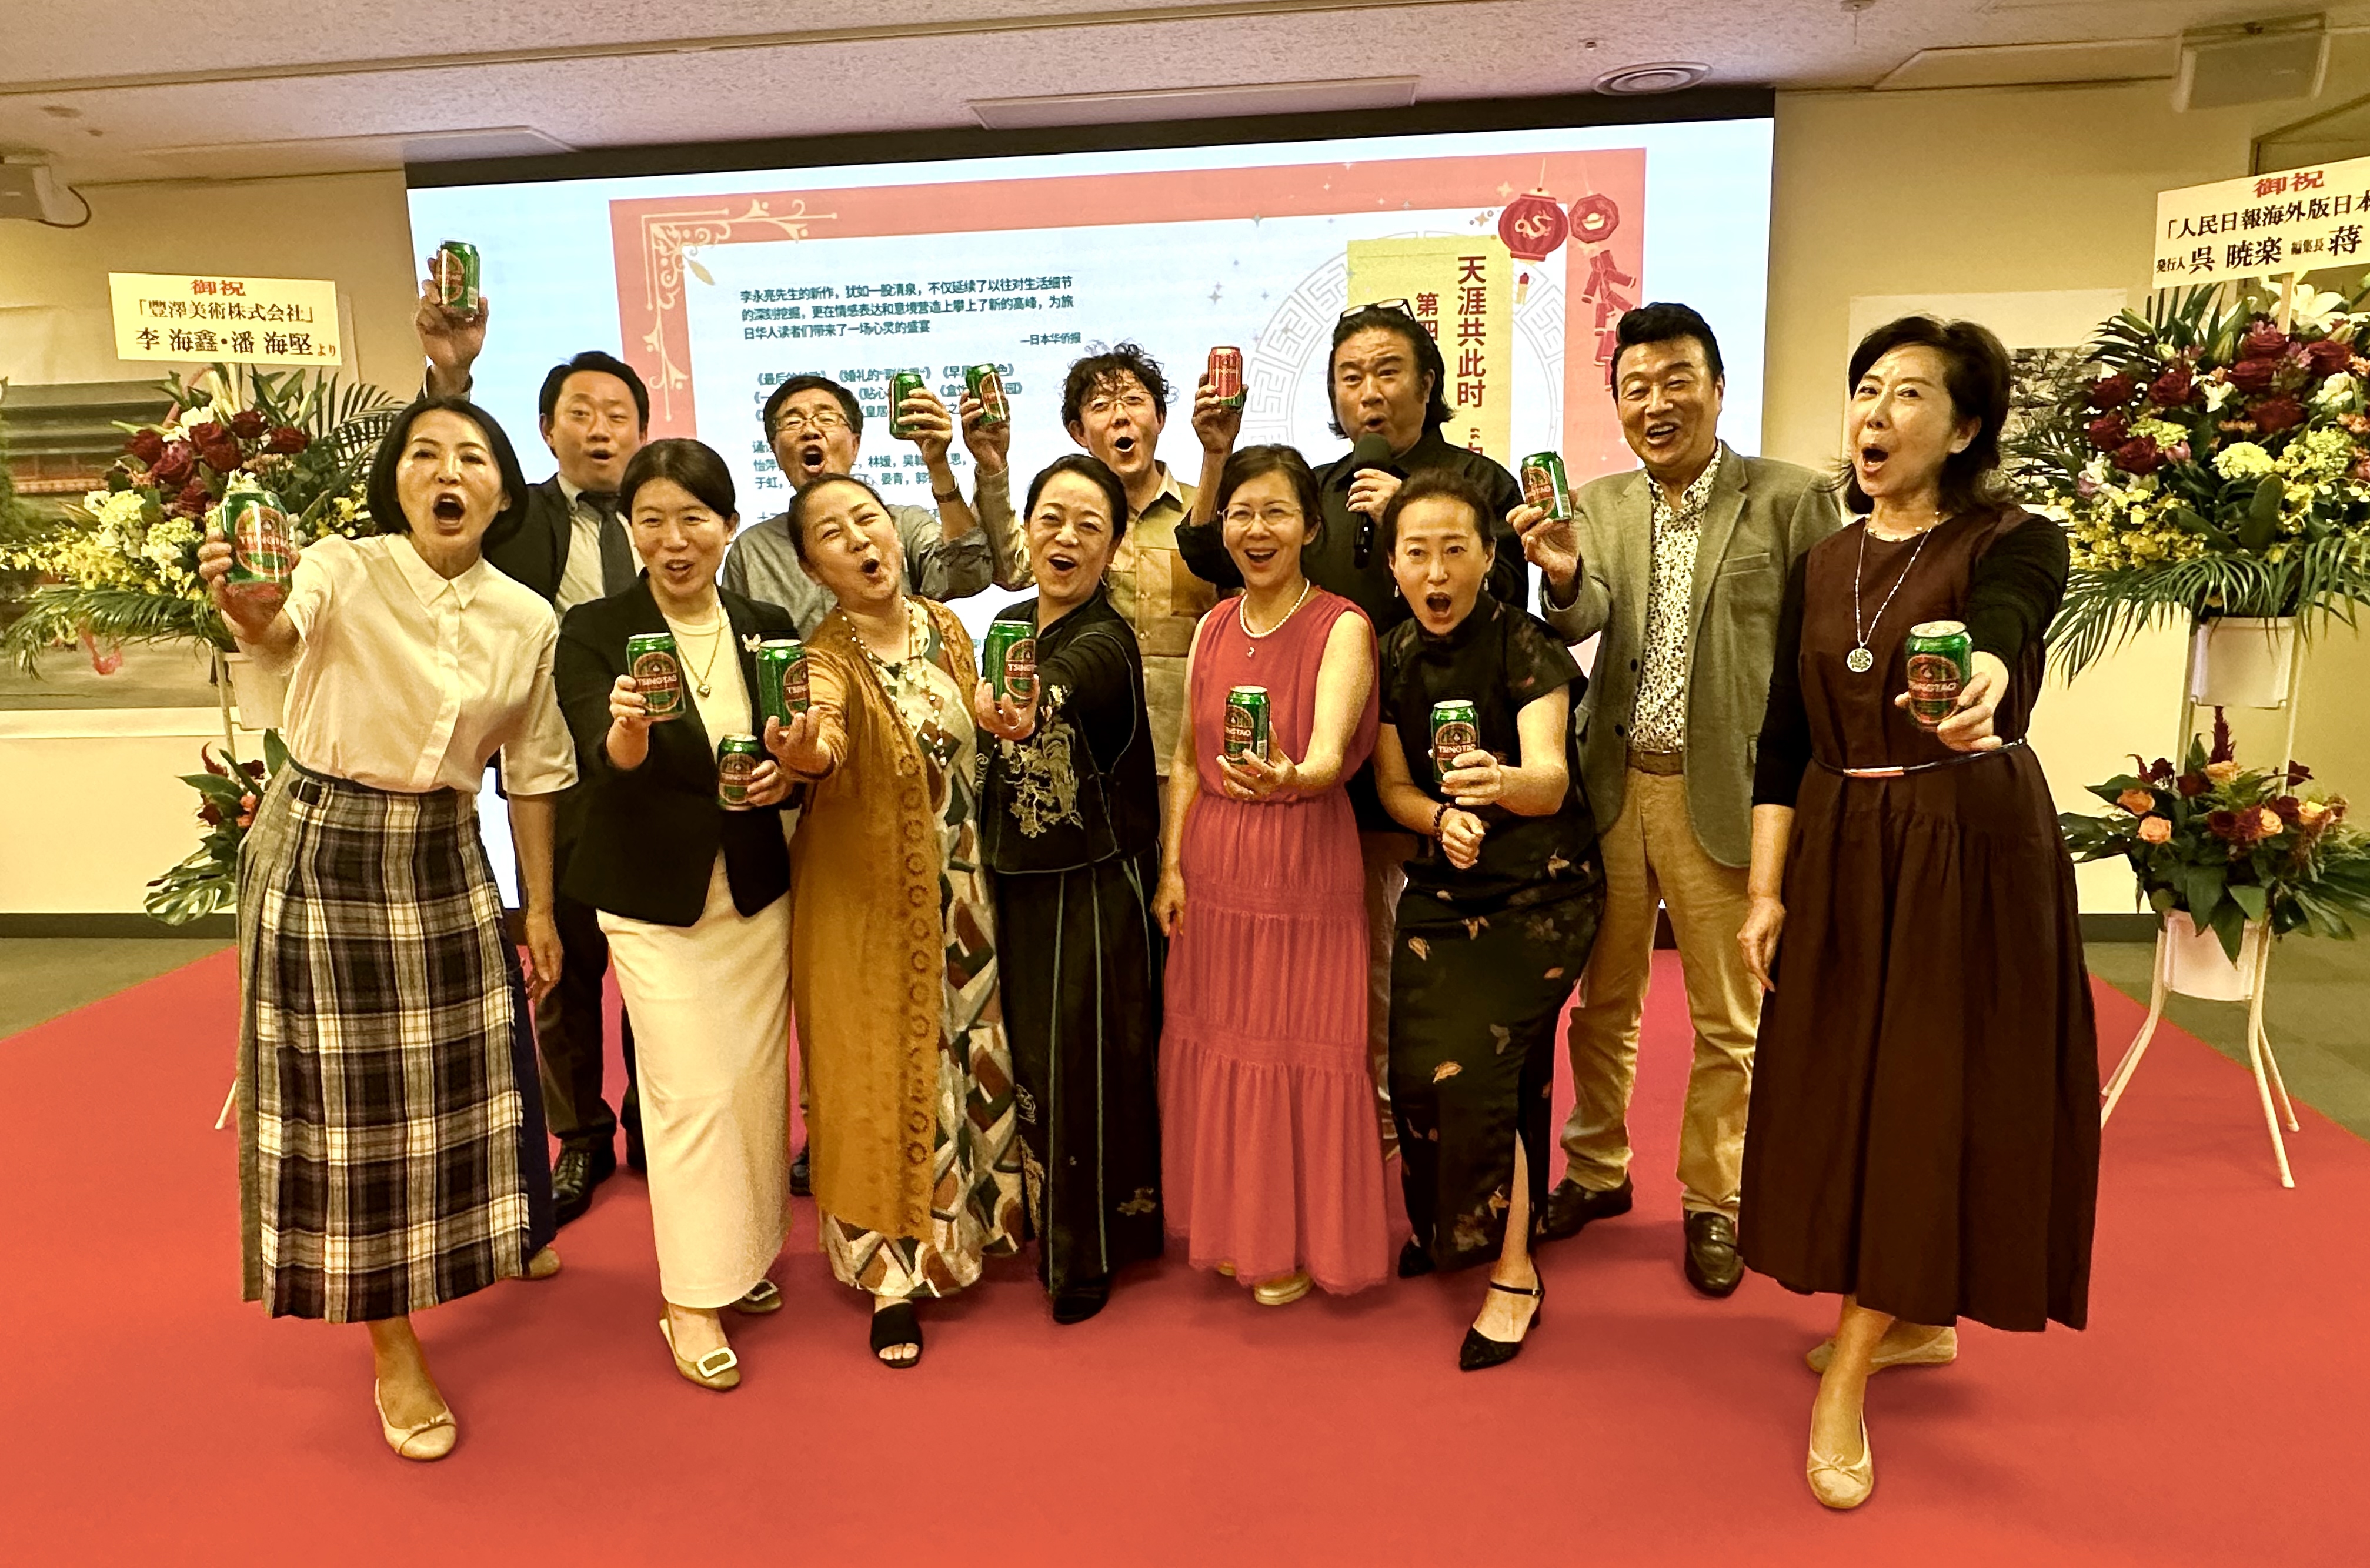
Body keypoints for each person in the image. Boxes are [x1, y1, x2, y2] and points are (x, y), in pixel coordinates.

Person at [1736, 316, 2099, 1510]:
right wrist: (1764, 888)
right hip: (1843, 838)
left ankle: (1850, 1366)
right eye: (1864, 390)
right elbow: (1781, 739)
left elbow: (2008, 622)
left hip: (1960, 842)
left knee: (1925, 1092)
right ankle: (1913, 1315)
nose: (1874, 414)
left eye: (1906, 394)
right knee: (1845, 1084)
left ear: (1965, 426)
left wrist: (1986, 674)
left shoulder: (2011, 538)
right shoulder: (1823, 561)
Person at [204, 396, 572, 1462]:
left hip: (444, 848)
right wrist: (250, 607)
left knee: (463, 1077)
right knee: (352, 1108)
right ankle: (392, 1340)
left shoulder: (526, 617)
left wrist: (541, 906)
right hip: (323, 846)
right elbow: (279, 628)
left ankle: (486, 1237)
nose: (447, 471)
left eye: (472, 457)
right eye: (424, 454)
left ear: (501, 491)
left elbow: (533, 771)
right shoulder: (342, 565)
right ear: (398, 481)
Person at [1515, 302, 1841, 1296]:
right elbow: (1587, 616)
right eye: (1634, 388)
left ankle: (1714, 1198)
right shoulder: (1601, 503)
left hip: (1726, 793)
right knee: (1602, 1001)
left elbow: (1820, 650)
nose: (1655, 404)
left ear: (1718, 388)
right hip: (1616, 787)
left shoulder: (1789, 499)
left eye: (1675, 381)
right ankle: (1596, 1167)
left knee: (1727, 1017)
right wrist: (1561, 576)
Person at [1181, 304, 1528, 1156]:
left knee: (1459, 976)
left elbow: (1514, 606)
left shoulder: (1482, 482)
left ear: (1429, 382)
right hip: (1345, 785)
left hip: (1460, 771)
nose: (1368, 391)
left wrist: (1411, 512)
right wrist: (1216, 455)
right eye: (1349, 376)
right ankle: (1372, 1130)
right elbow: (1215, 556)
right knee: (1364, 970)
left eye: (1386, 370)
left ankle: (1463, 1144)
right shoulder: (1324, 488)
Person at [553, 439, 799, 1392]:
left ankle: (744, 1253)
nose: (674, 539)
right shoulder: (597, 628)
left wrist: (787, 773)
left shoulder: (765, 622)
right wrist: (627, 725)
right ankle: (691, 1296)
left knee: (753, 1087)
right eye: (652, 520)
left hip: (752, 890)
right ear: (631, 530)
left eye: (694, 518)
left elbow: (789, 740)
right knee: (690, 1093)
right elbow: (601, 754)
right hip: (652, 898)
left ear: (728, 526)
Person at [763, 473, 1025, 1366]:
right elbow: (825, 738)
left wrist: (1000, 721)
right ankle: (888, 1280)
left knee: (962, 1055)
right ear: (813, 567)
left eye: (867, 520)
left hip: (960, 888)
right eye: (832, 534)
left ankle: (966, 1233)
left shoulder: (946, 627)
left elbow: (975, 730)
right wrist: (806, 752)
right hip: (865, 902)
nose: (860, 541)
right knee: (873, 1077)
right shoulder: (823, 660)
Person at [416, 283, 647, 1226]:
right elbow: (447, 481)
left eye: (618, 414)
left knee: (662, 961)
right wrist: (452, 375)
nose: (601, 429)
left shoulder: (665, 516)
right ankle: (580, 1133)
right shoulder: (517, 520)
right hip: (556, 774)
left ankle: (655, 1119)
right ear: (546, 430)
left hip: (657, 770)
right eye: (580, 413)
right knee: (564, 959)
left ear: (641, 430)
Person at [1372, 470, 1604, 1369]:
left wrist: (1498, 784)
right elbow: (1395, 787)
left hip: (1540, 890)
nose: (1436, 572)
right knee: (1416, 1069)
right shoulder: (1391, 653)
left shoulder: (1524, 642)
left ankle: (1512, 1269)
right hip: (1444, 885)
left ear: (1486, 557)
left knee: (1480, 1070)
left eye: (1454, 550)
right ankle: (1451, 1224)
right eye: (1417, 552)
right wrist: (1439, 818)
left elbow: (1547, 779)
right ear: (1393, 565)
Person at [1154, 444, 1387, 1306]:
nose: (1257, 530)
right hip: (1215, 858)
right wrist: (1172, 867)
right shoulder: (1213, 625)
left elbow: (1328, 756)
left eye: (1276, 512)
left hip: (1301, 856)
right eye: (1241, 513)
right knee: (1218, 1042)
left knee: (1293, 1049)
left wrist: (1295, 774)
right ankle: (1235, 1227)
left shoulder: (1343, 626)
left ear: (1310, 528)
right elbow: (1186, 757)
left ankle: (1292, 1240)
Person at [973, 454, 1166, 1325]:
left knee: (1083, 1068)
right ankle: (1042, 1219)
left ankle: (1084, 1254)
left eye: (1091, 525)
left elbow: (1065, 682)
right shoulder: (1007, 622)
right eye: (1051, 518)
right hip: (1013, 876)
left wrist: (1030, 703)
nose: (1067, 537)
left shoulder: (1106, 639)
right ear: (1026, 530)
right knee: (1026, 1063)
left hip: (1090, 887)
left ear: (1114, 548)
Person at [1055, 346, 1228, 813]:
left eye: (1134, 401)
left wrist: (1216, 455)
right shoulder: (1064, 529)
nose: (1121, 417)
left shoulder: (1208, 511)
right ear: (1078, 432)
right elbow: (1012, 568)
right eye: (1101, 406)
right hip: (1092, 763)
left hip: (1193, 763)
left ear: (1161, 418)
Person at [722, 373, 1023, 636]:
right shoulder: (752, 551)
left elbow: (969, 576)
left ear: (855, 445)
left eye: (826, 418)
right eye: (792, 422)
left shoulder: (902, 524)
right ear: (775, 451)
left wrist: (938, 464)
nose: (810, 431)